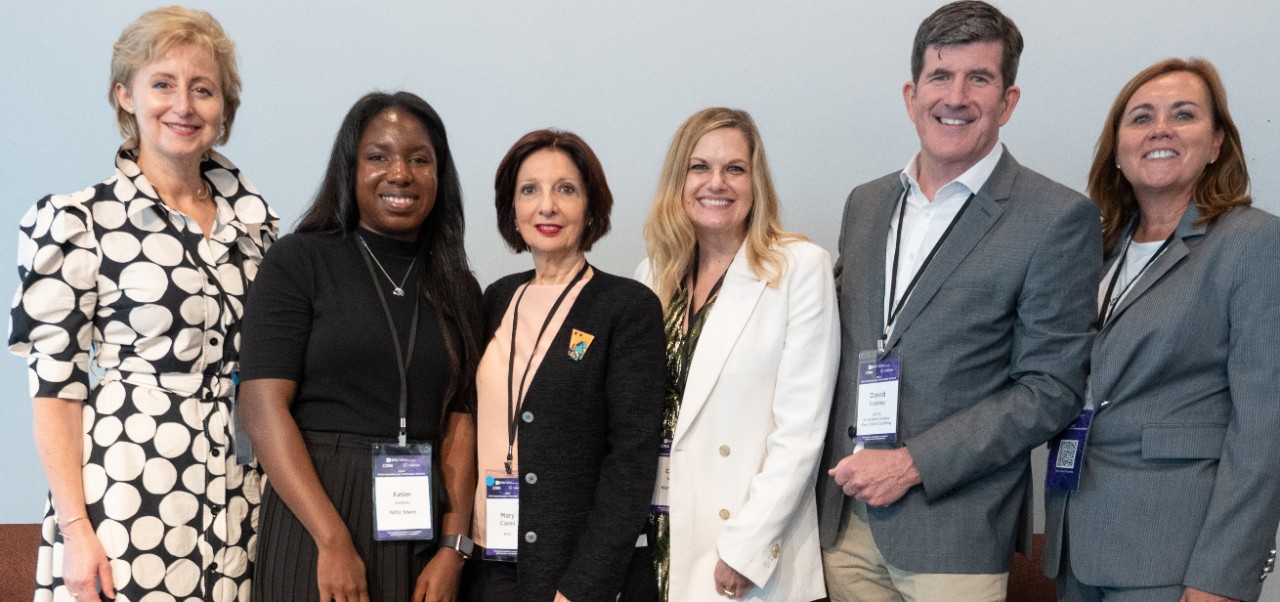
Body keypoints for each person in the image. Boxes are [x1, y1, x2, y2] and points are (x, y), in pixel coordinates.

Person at [815, 2, 1103, 600]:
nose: (957, 96)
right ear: (910, 93)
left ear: (1008, 100)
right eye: (940, 76)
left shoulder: (1056, 218)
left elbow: (1050, 388)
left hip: (955, 529)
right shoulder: (864, 205)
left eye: (980, 78)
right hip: (845, 522)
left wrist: (911, 463)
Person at [7, 7, 276, 601]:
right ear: (124, 95)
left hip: (242, 496)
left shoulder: (259, 230)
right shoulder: (78, 222)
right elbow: (55, 392)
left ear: (224, 111)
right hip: (128, 496)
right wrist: (77, 531)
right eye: (162, 83)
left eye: (203, 89)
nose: (183, 105)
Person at [1041, 58, 1280, 602]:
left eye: (1185, 115)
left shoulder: (1252, 243)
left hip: (1175, 556)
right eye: (1141, 117)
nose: (1160, 130)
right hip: (1077, 543)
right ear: (1119, 148)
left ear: (1217, 143)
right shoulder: (1095, 248)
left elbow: (1265, 431)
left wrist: (1221, 577)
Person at [237, 91, 484, 602]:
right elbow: (261, 408)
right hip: (317, 510)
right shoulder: (299, 261)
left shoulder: (458, 286)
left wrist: (452, 548)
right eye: (379, 156)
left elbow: (461, 418)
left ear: (441, 176)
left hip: (422, 525)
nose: (400, 173)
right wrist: (331, 540)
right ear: (350, 168)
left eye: (420, 159)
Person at [635, 107, 838, 602]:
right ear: (678, 181)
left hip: (747, 553)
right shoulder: (652, 276)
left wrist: (747, 548)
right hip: (661, 532)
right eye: (699, 167)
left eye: (735, 169)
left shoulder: (798, 268)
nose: (716, 183)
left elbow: (801, 432)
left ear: (756, 181)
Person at [468, 129, 665, 602]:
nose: (547, 206)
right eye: (529, 190)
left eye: (566, 189)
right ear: (511, 210)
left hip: (568, 573)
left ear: (591, 207)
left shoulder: (626, 306)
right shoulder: (496, 298)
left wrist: (584, 586)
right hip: (487, 561)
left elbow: (632, 460)